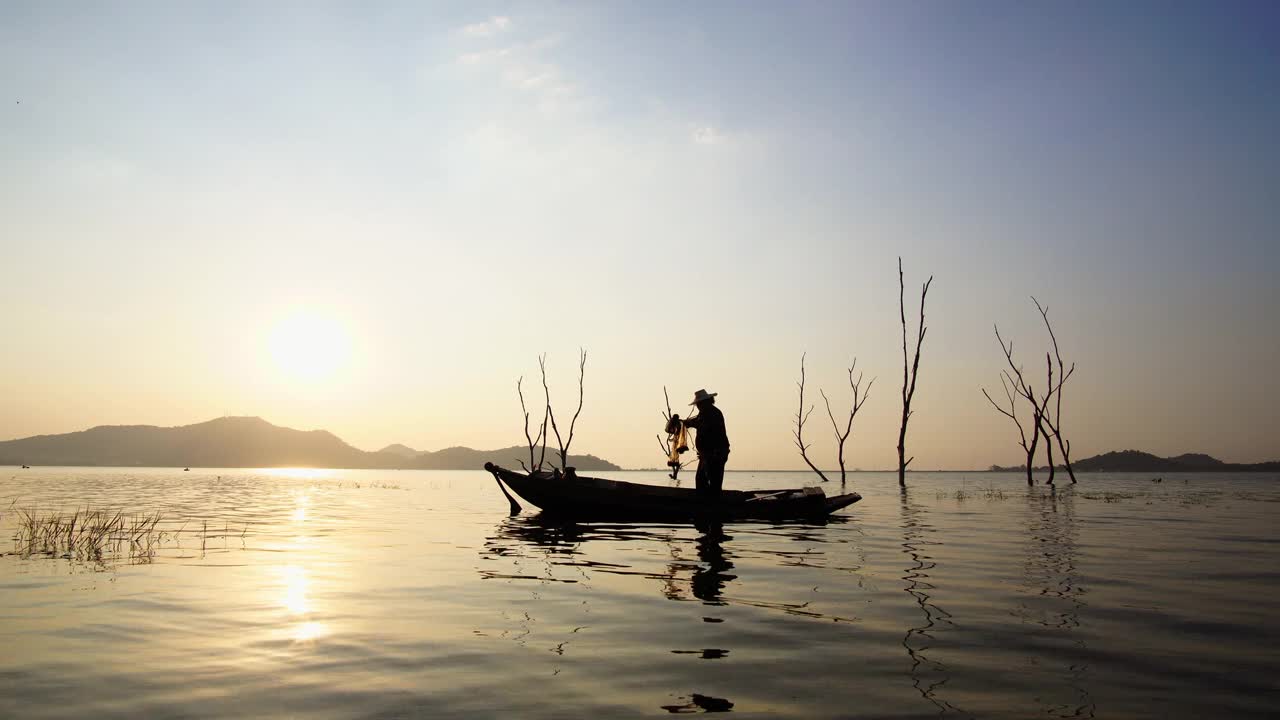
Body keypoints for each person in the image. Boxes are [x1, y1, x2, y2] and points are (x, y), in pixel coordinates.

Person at [682, 388, 730, 499]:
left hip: (716, 454)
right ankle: (707, 504)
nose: (698, 406)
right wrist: (684, 422)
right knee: (700, 480)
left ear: (706, 402)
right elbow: (694, 422)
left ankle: (713, 507)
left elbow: (705, 426)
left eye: (699, 404)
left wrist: (688, 423)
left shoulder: (713, 413)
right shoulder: (703, 414)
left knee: (713, 483)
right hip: (706, 454)